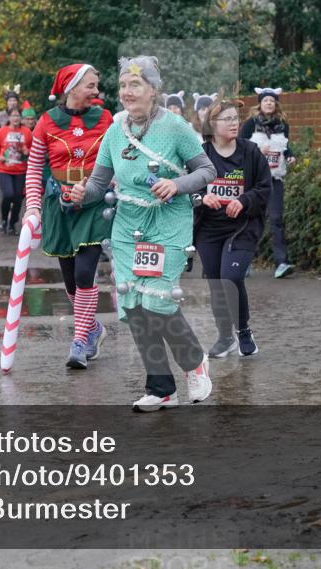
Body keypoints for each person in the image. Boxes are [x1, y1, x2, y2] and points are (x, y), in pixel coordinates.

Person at [70, 56, 216, 412]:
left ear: (153, 89)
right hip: (127, 227)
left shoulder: (175, 127)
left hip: (167, 223)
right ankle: (161, 388)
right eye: (122, 85)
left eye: (135, 84)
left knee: (158, 301)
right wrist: (80, 193)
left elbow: (207, 170)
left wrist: (177, 184)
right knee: (134, 306)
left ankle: (195, 362)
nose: (127, 92)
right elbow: (99, 183)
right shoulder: (115, 131)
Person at [23, 63, 115, 369]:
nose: (96, 91)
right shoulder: (47, 122)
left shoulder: (105, 119)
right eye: (90, 85)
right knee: (71, 281)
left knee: (85, 273)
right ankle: (93, 329)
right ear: (71, 88)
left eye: (96, 85)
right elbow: (34, 168)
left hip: (94, 204)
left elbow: (118, 159)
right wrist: (33, 207)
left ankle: (79, 341)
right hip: (59, 206)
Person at [195, 97, 271, 358]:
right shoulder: (201, 154)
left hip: (242, 228)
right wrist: (203, 197)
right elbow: (188, 186)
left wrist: (244, 200)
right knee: (217, 283)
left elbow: (265, 187)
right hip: (208, 229)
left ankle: (244, 331)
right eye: (227, 119)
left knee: (231, 277)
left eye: (235, 119)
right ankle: (225, 337)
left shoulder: (250, 152)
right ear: (212, 124)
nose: (233, 123)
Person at [241, 87, 297, 279]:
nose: (269, 103)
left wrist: (290, 156)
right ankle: (244, 262)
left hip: (275, 179)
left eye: (272, 101)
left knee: (276, 219)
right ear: (260, 104)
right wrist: (257, 151)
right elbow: (239, 148)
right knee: (252, 220)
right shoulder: (250, 124)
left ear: (276, 104)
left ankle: (281, 263)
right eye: (265, 100)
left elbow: (285, 146)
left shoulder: (282, 124)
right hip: (254, 181)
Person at [0, 106, 32, 236]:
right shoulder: (2, 131)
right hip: (4, 168)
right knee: (8, 195)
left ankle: (12, 223)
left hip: (20, 169)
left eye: (18, 115)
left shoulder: (26, 132)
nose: (16, 118)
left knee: (18, 198)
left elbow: (32, 148)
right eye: (13, 115)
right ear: (9, 117)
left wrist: (27, 151)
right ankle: (4, 220)